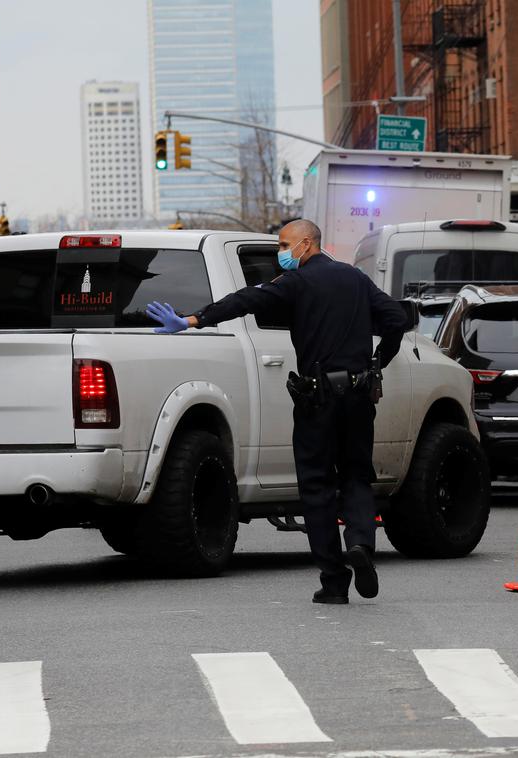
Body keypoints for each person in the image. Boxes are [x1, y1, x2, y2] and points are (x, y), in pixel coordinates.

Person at [145, 219, 409, 604]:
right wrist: (377, 362)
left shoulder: (296, 283)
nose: (280, 253)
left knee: (317, 488)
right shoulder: (355, 279)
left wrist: (192, 320)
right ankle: (361, 546)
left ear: (306, 244)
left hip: (318, 399)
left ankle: (334, 582)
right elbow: (396, 320)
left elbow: (244, 300)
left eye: (284, 244)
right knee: (355, 477)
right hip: (358, 396)